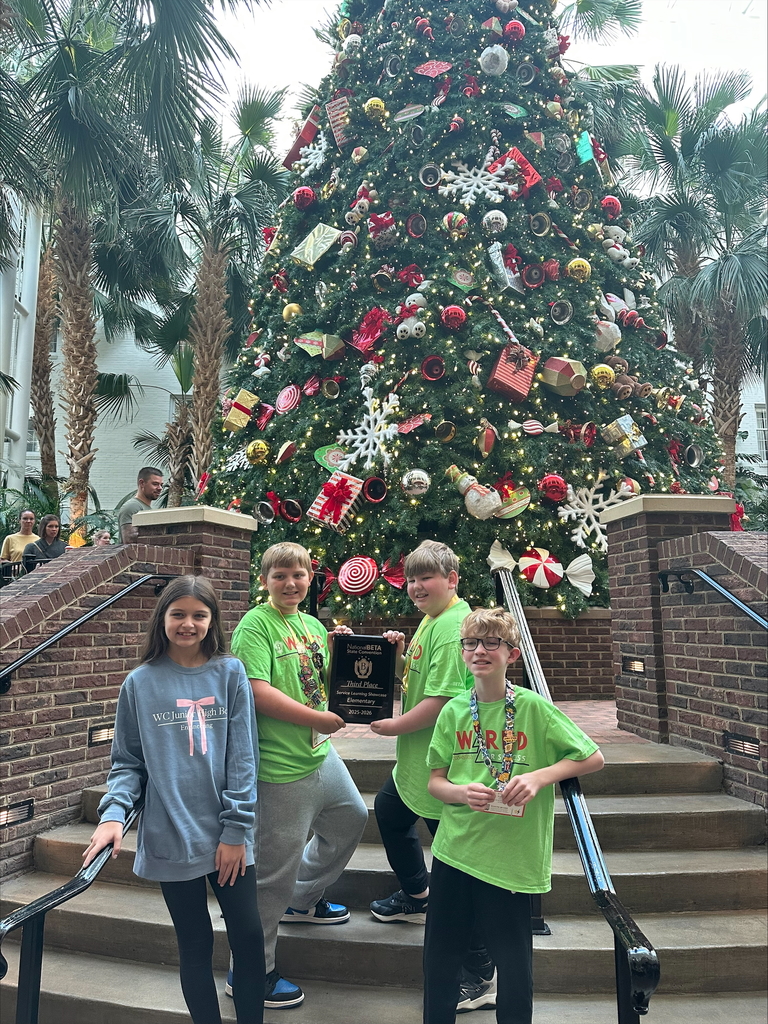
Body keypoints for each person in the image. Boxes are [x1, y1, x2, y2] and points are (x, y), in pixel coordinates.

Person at [82, 576, 264, 1024]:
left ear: (212, 621)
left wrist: (236, 829)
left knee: (249, 937)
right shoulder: (140, 684)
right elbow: (127, 763)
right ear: (161, 619)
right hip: (170, 835)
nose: (188, 624)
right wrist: (112, 815)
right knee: (194, 943)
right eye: (178, 614)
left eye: (199, 615)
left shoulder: (230, 673)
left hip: (228, 836)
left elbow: (243, 757)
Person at [423, 607, 605, 1024]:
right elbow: (435, 781)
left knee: (515, 969)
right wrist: (459, 791)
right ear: (462, 652)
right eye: (471, 643)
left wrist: (542, 777)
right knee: (440, 963)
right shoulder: (452, 711)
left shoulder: (534, 708)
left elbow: (593, 757)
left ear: (513, 654)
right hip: (455, 852)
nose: (480, 651)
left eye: (492, 643)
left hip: (511, 860)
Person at [229, 541, 368, 1010]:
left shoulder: (311, 624)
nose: (291, 583)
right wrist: (315, 718)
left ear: (312, 578)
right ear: (264, 579)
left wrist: (348, 649)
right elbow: (256, 691)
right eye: (280, 575)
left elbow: (328, 683)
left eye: (300, 574)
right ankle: (251, 970)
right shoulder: (255, 625)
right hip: (279, 769)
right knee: (271, 875)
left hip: (320, 756)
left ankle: (304, 899)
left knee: (351, 818)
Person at [119, 467, 164, 544]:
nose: (160, 488)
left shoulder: (147, 508)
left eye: (161, 485)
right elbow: (129, 540)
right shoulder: (132, 506)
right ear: (142, 483)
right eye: (155, 484)